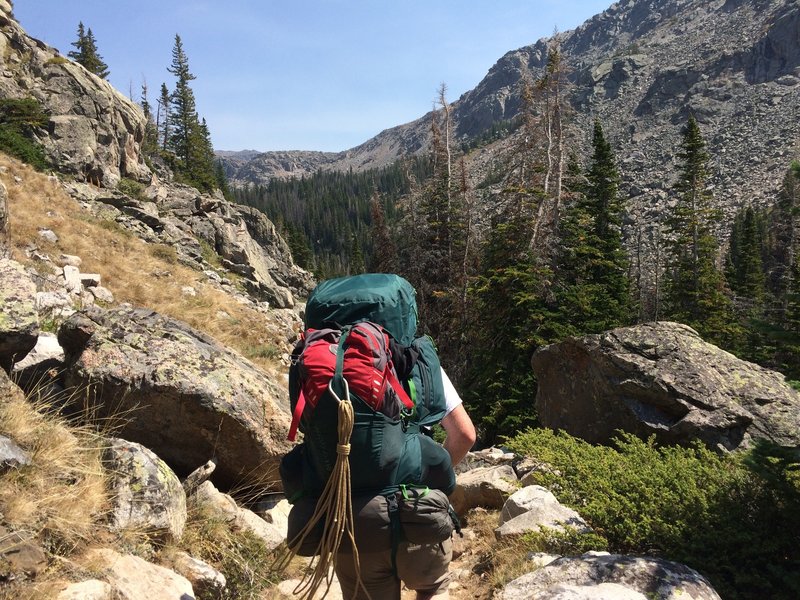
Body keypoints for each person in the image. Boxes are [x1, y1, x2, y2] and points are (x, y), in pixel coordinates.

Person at [334, 368, 477, 600]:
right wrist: (431, 475)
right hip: (419, 513)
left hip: (355, 522)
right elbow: (465, 434)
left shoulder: (325, 359)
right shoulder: (419, 359)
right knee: (433, 589)